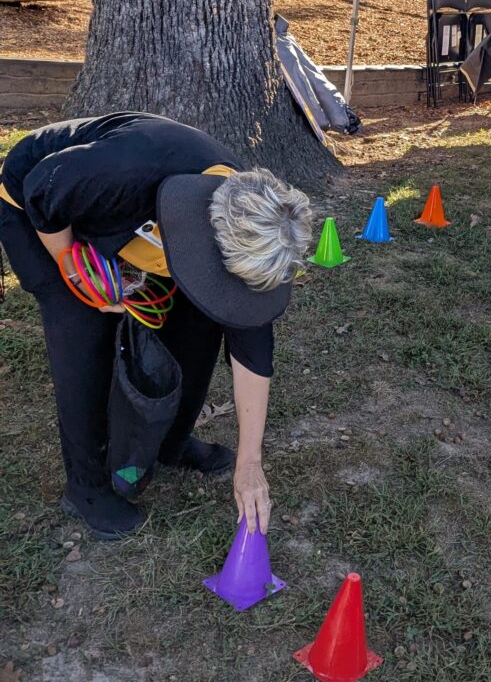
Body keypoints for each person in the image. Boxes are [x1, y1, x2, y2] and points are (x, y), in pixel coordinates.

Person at [0, 112, 311, 540]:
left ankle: (171, 442)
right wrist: (76, 268)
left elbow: (252, 346)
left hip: (107, 207)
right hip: (38, 200)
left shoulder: (249, 217)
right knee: (83, 332)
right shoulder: (126, 171)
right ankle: (86, 487)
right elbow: (41, 187)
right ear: (207, 233)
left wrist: (250, 463)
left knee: (200, 325)